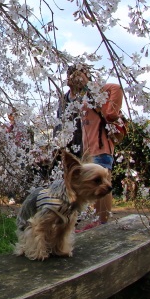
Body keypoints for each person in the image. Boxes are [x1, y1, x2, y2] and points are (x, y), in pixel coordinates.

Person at [58, 63, 124, 228]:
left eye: (79, 74)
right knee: (93, 182)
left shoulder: (94, 90)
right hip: (87, 146)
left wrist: (112, 113)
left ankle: (103, 221)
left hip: (100, 143)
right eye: (72, 76)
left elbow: (116, 87)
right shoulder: (79, 95)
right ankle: (98, 220)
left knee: (103, 180)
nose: (75, 79)